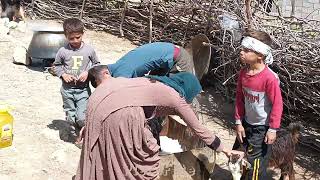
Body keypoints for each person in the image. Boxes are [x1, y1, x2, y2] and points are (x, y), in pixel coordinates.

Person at [75, 72, 242, 180]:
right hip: (123, 114)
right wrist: (225, 149)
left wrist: (92, 124)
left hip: (100, 98)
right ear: (188, 90)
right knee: (144, 154)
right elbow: (198, 128)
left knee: (105, 146)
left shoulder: (152, 81)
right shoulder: (175, 97)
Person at [233, 30, 283, 179]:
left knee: (256, 163)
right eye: (242, 49)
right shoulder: (244, 73)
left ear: (260, 55)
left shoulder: (269, 79)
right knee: (238, 155)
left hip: (262, 128)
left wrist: (273, 129)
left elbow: (277, 104)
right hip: (246, 123)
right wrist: (238, 121)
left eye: (247, 50)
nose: (241, 52)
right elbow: (239, 98)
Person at [53, 18, 100, 139]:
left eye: (78, 37)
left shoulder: (89, 50)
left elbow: (97, 65)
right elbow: (57, 66)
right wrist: (63, 74)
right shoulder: (63, 51)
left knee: (81, 116)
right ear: (66, 36)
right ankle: (74, 135)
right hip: (67, 90)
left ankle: (84, 134)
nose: (75, 41)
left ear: (83, 34)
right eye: (71, 38)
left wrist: (88, 72)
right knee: (71, 115)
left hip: (83, 90)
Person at [107, 41, 195, 78]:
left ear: (105, 73)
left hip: (179, 57)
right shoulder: (116, 66)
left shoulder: (122, 75)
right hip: (164, 58)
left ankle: (192, 114)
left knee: (180, 94)